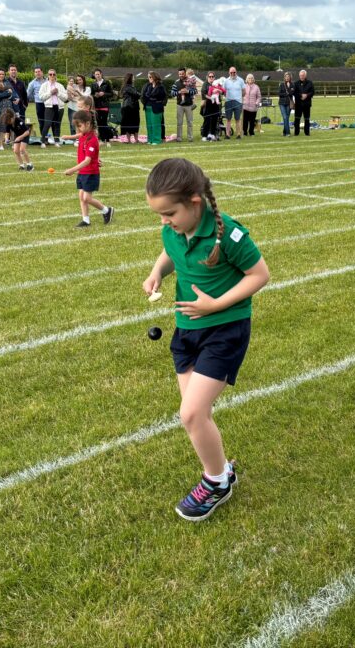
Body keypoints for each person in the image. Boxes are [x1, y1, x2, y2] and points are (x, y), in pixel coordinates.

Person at [142, 157, 270, 521]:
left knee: (192, 413)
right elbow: (171, 250)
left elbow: (259, 275)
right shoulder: (173, 228)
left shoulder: (228, 234)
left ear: (195, 202)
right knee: (197, 414)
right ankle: (222, 470)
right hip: (186, 331)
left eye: (169, 213)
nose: (165, 221)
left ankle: (216, 481)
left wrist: (216, 305)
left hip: (225, 330)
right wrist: (157, 273)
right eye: (160, 216)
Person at [64, 110, 114, 227]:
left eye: (79, 126)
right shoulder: (83, 135)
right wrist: (68, 137)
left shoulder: (92, 140)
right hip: (83, 172)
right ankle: (86, 220)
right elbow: (78, 135)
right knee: (81, 196)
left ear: (87, 124)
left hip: (90, 173)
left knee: (87, 198)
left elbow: (87, 160)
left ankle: (106, 210)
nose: (78, 129)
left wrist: (72, 170)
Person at [37, 68, 67, 147]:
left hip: (59, 107)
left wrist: (58, 93)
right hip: (49, 107)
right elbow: (41, 97)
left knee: (57, 125)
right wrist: (51, 92)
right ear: (48, 75)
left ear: (55, 75)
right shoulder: (44, 85)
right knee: (47, 124)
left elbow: (65, 98)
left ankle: (56, 141)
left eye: (54, 74)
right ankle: (43, 142)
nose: (52, 76)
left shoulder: (60, 85)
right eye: (50, 74)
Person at [171, 67, 197, 142]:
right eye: (180, 74)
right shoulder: (176, 83)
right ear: (178, 74)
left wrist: (188, 92)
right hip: (179, 105)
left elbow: (195, 91)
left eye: (182, 73)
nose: (181, 75)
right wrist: (179, 92)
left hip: (189, 105)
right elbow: (172, 93)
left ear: (185, 73)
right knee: (179, 123)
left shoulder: (190, 81)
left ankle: (190, 138)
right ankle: (179, 138)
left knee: (190, 123)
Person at [142, 71, 168, 145]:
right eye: (148, 77)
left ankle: (156, 140)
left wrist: (152, 98)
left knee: (156, 125)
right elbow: (145, 95)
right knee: (149, 125)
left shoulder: (160, 86)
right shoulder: (148, 86)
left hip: (156, 108)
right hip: (148, 107)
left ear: (154, 77)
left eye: (150, 77)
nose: (149, 78)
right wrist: (149, 98)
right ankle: (150, 139)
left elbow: (161, 96)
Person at [220, 66, 246, 139]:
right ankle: (227, 135)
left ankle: (238, 134)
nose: (233, 74)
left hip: (238, 102)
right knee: (228, 119)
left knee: (238, 119)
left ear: (236, 72)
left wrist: (238, 97)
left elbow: (244, 91)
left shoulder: (241, 80)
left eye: (234, 72)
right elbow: (223, 91)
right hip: (228, 102)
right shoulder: (226, 81)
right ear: (229, 72)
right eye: (231, 72)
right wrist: (228, 97)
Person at [27, 66, 47, 144]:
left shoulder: (48, 81)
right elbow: (28, 94)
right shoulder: (32, 83)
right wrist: (35, 98)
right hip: (39, 104)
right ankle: (43, 139)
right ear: (34, 73)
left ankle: (52, 138)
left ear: (42, 72)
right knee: (41, 121)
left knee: (49, 122)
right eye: (36, 72)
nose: (37, 73)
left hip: (49, 104)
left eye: (39, 71)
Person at [119, 72, 140, 143]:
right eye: (133, 77)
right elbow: (137, 95)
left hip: (127, 107)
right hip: (131, 107)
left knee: (129, 123)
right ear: (130, 78)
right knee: (134, 123)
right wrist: (140, 94)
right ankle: (132, 139)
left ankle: (131, 139)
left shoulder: (126, 87)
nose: (134, 78)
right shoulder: (128, 87)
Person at [293, 69, 315, 136]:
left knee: (307, 119)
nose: (301, 76)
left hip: (307, 104)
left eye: (302, 75)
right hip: (298, 104)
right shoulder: (296, 83)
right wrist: (301, 95)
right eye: (300, 75)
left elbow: (312, 92)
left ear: (305, 75)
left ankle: (307, 132)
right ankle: (296, 132)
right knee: (297, 119)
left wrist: (307, 95)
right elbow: (294, 92)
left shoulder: (310, 83)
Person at [91, 68, 113, 134]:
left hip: (104, 105)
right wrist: (95, 95)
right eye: (96, 74)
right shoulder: (93, 84)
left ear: (101, 74)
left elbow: (111, 94)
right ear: (94, 75)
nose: (97, 75)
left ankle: (107, 138)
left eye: (98, 74)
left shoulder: (107, 82)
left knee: (104, 122)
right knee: (98, 123)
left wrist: (104, 94)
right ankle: (100, 137)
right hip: (96, 106)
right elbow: (91, 94)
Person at [277, 71, 294, 137]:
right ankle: (288, 133)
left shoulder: (293, 85)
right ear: (284, 78)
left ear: (290, 77)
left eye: (288, 77)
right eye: (286, 77)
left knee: (286, 118)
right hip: (282, 103)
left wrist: (289, 89)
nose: (287, 78)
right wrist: (286, 94)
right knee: (285, 117)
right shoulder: (281, 85)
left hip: (289, 103)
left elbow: (292, 93)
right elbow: (279, 94)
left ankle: (284, 132)